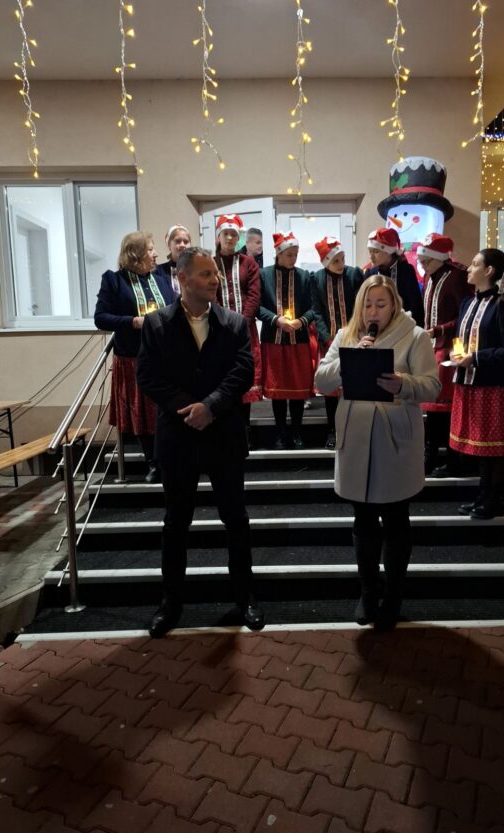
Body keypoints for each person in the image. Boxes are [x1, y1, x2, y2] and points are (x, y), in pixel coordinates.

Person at [136, 246, 265, 637]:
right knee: (176, 524)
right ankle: (170, 603)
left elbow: (243, 370)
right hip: (178, 438)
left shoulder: (234, 322)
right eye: (207, 274)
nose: (216, 280)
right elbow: (148, 376)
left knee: (236, 520)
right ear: (183, 278)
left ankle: (245, 597)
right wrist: (188, 408)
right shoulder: (156, 324)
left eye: (216, 274)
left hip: (224, 434)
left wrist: (210, 406)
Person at [315, 274, 440, 631]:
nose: (373, 311)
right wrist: (350, 361)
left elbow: (432, 386)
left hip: (394, 442)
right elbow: (321, 380)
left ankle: (394, 596)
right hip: (355, 441)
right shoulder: (346, 335)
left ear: (394, 305)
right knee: (363, 520)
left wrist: (403, 383)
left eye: (381, 304)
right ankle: (368, 593)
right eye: (368, 304)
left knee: (397, 520)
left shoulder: (415, 336)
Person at [449, 248, 504, 520]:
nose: (468, 269)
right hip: (467, 383)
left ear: (489, 271)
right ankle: (483, 497)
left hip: (492, 386)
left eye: (474, 264)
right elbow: (460, 336)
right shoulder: (467, 303)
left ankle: (494, 499)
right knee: (482, 446)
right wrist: (456, 353)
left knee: (495, 447)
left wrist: (476, 358)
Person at [94, 231, 175, 484]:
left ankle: (170, 459)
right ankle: (153, 462)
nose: (156, 254)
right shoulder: (114, 281)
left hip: (165, 358)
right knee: (143, 414)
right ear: (135, 255)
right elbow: (101, 318)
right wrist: (133, 322)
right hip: (133, 359)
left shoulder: (161, 279)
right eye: (150, 249)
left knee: (166, 410)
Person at [416, 233, 473, 476]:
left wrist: (439, 330)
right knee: (432, 405)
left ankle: (452, 458)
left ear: (439, 258)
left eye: (426, 260)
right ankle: (430, 455)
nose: (423, 265)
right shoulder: (429, 277)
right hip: (432, 348)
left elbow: (465, 315)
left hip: (451, 348)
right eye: (421, 260)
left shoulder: (457, 276)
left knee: (447, 407)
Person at [259, 232, 315, 450]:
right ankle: (281, 434)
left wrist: (301, 322)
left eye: (295, 254)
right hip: (273, 340)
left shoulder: (304, 276)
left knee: (298, 388)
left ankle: (297, 432)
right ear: (279, 253)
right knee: (278, 391)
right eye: (289, 254)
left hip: (298, 340)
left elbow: (313, 307)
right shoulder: (264, 275)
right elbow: (257, 306)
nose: (293, 258)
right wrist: (276, 320)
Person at [311, 236, 364, 448]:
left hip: (354, 339)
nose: (341, 264)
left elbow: (360, 307)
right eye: (335, 261)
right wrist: (327, 338)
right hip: (329, 341)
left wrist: (354, 334)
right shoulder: (317, 279)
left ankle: (354, 428)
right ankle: (333, 430)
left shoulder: (354, 274)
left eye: (342, 258)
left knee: (355, 385)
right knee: (331, 389)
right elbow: (316, 311)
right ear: (326, 262)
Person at [214, 214, 262, 439]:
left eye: (233, 234)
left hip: (245, 330)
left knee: (244, 375)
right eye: (226, 234)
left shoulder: (249, 263)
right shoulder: (210, 263)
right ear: (219, 236)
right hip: (218, 331)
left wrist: (242, 321)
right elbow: (210, 295)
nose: (230, 238)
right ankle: (225, 429)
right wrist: (222, 322)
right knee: (222, 377)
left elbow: (254, 294)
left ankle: (245, 429)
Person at [364, 227, 425, 327]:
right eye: (370, 251)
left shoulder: (406, 271)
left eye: (376, 251)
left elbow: (416, 307)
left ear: (388, 251)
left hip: (403, 327)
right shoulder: (370, 273)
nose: (371, 256)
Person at [158, 225, 192, 294]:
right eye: (177, 241)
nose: (182, 245)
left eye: (186, 242)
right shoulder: (158, 272)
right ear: (169, 245)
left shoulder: (197, 270)